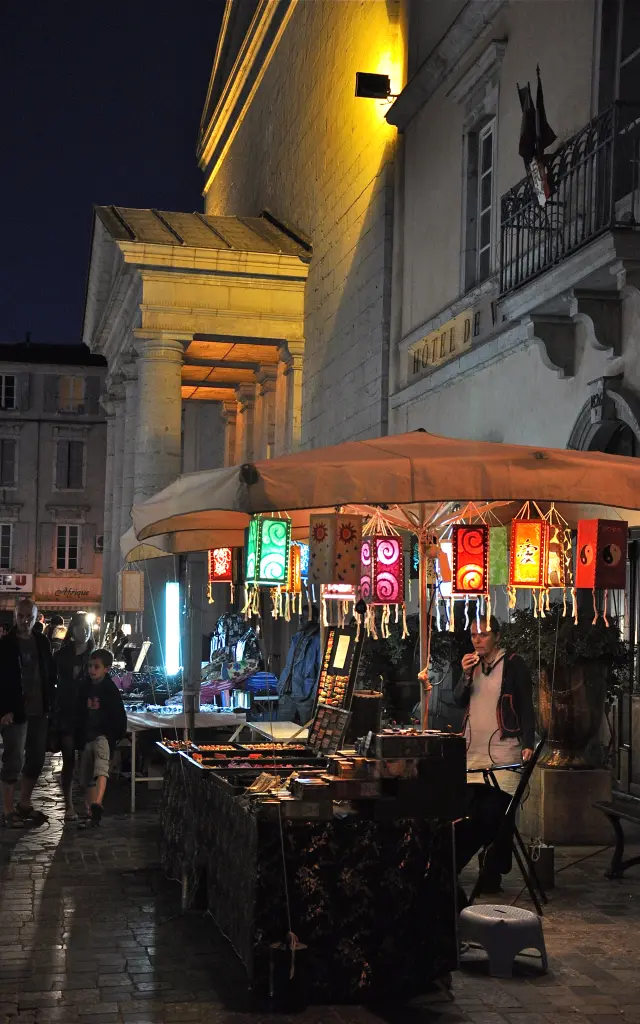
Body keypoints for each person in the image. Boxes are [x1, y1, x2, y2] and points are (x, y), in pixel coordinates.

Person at [453, 614, 535, 893]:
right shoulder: (471, 665)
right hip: (472, 750)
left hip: (504, 751)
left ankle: (491, 872)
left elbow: (526, 705)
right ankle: (460, 867)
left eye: (484, 634)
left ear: (497, 636)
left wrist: (528, 742)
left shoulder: (513, 664)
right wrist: (464, 675)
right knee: (473, 812)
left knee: (497, 813)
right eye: (474, 634)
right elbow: (457, 700)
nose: (477, 639)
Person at [0, 598, 56, 828]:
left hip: (39, 710)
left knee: (36, 759)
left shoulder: (42, 641)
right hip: (16, 711)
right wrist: (3, 709)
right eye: (21, 616)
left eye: (29, 617)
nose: (24, 621)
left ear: (36, 617)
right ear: (15, 616)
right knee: (13, 759)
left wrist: (50, 703)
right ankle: (8, 808)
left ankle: (24, 803)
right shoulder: (6, 645)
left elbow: (49, 672)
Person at [74, 648, 126, 826]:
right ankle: (91, 811)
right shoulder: (84, 687)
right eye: (90, 666)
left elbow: (118, 714)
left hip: (103, 735)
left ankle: (97, 802)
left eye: (96, 666)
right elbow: (79, 712)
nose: (91, 670)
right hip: (87, 736)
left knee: (101, 768)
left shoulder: (110, 689)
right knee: (86, 776)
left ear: (106, 668)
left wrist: (113, 736)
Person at [54, 612, 96, 821]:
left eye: (88, 627)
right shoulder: (62, 656)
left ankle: (87, 803)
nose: (86, 631)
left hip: (88, 715)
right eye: (81, 627)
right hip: (67, 713)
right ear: (73, 630)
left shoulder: (94, 656)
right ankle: (69, 805)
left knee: (87, 760)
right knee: (69, 760)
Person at [276, 609, 321, 723]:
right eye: (300, 617)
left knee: (306, 732)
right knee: (281, 730)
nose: (301, 620)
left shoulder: (319, 639)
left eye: (304, 617)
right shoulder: (297, 637)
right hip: (287, 690)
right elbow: (289, 665)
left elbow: (321, 669)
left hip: (305, 693)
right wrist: (281, 685)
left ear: (314, 619)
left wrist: (313, 695)